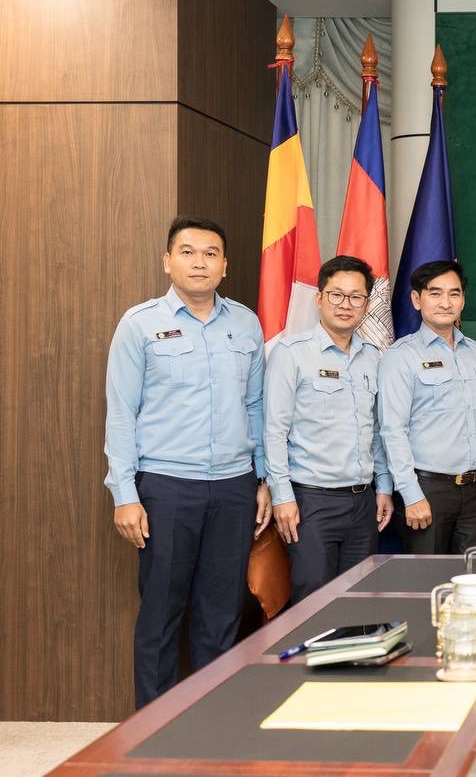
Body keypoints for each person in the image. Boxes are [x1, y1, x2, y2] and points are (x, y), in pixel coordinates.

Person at [104, 216, 270, 709]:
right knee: (161, 613)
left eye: (210, 253)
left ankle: (210, 722)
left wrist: (262, 478)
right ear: (167, 261)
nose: (200, 262)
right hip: (166, 487)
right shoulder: (140, 324)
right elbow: (121, 412)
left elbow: (256, 405)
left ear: (225, 265)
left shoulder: (246, 323)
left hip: (234, 487)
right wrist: (125, 494)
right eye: (188, 252)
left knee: (221, 612)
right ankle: (153, 728)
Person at [264, 256, 393, 603]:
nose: (345, 304)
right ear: (319, 298)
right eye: (337, 295)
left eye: (356, 297)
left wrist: (383, 486)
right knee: (313, 603)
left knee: (359, 602)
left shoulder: (373, 357)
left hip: (363, 502)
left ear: (366, 304)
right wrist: (282, 496)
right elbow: (274, 431)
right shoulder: (291, 354)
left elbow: (376, 430)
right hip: (311, 502)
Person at [378, 260, 476, 553]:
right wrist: (410, 494)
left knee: (475, 575)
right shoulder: (401, 356)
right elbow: (392, 430)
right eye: (435, 293)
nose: (445, 302)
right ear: (417, 299)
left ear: (463, 300)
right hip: (427, 490)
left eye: (454, 293)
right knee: (427, 578)